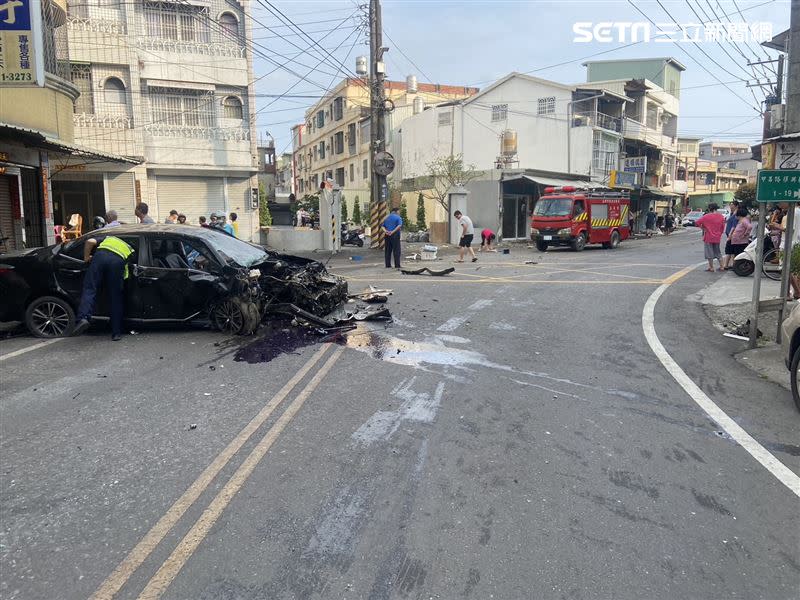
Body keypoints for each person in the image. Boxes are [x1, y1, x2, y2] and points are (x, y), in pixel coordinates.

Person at [73, 235, 135, 341]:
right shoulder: (130, 249)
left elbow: (89, 241)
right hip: (117, 262)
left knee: (89, 288)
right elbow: (126, 271)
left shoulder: (108, 238)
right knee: (116, 299)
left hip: (100, 257)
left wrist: (86, 257)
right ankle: (116, 333)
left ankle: (83, 318)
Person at [695, 202, 726, 272]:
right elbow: (722, 228)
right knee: (718, 252)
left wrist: (703, 228)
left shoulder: (706, 216)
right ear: (716, 208)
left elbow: (697, 223)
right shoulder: (721, 217)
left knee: (709, 253)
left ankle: (711, 267)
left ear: (709, 209)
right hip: (717, 237)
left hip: (708, 237)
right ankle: (722, 266)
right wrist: (719, 234)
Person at [720, 200, 740, 270]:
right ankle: (729, 265)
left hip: (732, 235)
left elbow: (734, 226)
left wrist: (731, 234)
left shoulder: (737, 214)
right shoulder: (732, 213)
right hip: (729, 234)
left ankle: (730, 265)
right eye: (730, 205)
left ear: (736, 206)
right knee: (730, 250)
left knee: (730, 250)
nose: (731, 206)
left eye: (732, 205)